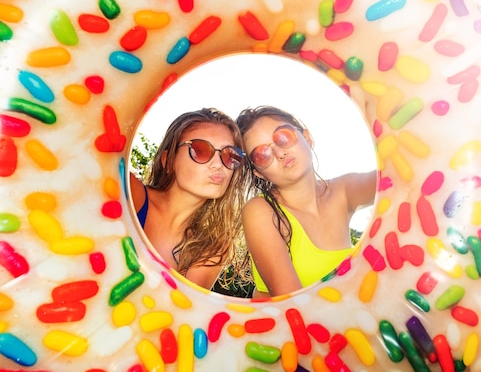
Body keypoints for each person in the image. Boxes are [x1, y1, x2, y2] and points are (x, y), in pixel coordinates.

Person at [236, 105, 377, 298]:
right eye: (262, 154)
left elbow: (397, 180)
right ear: (259, 173)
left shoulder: (343, 190)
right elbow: (294, 306)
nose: (279, 153)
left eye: (283, 137)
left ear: (306, 137)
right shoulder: (260, 211)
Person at [130, 108, 248, 291]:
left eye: (229, 155)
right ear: (168, 160)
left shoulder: (210, 250)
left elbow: (177, 313)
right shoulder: (131, 194)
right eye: (201, 150)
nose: (218, 165)